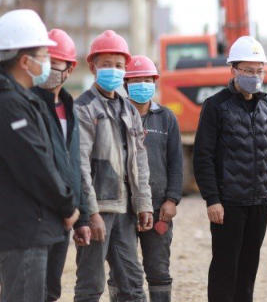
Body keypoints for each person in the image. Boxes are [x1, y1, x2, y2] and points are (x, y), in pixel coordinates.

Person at [194, 35, 267, 302]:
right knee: (225, 270)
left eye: (259, 71)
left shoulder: (266, 106)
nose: (255, 76)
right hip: (228, 204)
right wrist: (212, 199)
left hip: (258, 201)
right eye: (248, 70)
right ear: (233, 70)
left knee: (248, 270)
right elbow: (203, 156)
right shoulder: (216, 106)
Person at [0, 10, 79, 301]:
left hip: (31, 226)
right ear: (24, 61)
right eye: (44, 55)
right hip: (24, 230)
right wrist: (67, 204)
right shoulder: (10, 104)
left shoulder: (22, 99)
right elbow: (35, 164)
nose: (47, 62)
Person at [74, 30, 154, 302]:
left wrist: (144, 203)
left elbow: (140, 160)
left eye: (119, 65)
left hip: (125, 210)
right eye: (106, 64)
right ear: (92, 66)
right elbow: (80, 164)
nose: (113, 70)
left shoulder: (128, 110)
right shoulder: (83, 108)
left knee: (133, 283)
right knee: (90, 285)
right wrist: (91, 212)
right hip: (99, 209)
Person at [107, 55, 183, 302]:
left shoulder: (166, 117)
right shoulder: (115, 117)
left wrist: (172, 199)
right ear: (126, 84)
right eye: (136, 80)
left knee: (158, 269)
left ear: (155, 82)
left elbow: (176, 161)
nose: (143, 84)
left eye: (148, 80)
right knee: (120, 271)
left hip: (159, 206)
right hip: (121, 207)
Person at [32, 28, 91, 301]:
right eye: (44, 59)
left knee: (51, 290)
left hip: (64, 217)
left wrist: (82, 219)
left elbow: (75, 167)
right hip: (35, 217)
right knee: (29, 289)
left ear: (70, 69)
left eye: (54, 62)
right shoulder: (28, 104)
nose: (47, 67)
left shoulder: (70, 108)